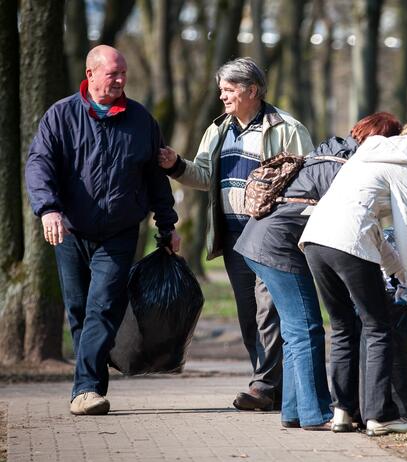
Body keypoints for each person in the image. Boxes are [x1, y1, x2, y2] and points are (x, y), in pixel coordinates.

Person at [25, 45, 180, 416]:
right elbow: (39, 164)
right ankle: (90, 385)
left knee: (103, 307)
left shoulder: (141, 120)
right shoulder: (61, 116)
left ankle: (86, 390)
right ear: (90, 74)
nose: (121, 80)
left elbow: (156, 179)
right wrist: (48, 209)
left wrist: (167, 226)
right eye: (113, 74)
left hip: (120, 231)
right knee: (79, 310)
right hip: (70, 230)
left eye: (123, 73)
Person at [157, 57, 314, 411]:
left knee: (268, 309)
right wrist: (175, 165)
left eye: (228, 90)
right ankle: (271, 385)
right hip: (232, 235)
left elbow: (306, 182)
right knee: (248, 312)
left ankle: (263, 386)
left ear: (252, 90)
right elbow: (203, 175)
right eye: (221, 91)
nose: (222, 97)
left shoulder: (286, 128)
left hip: (271, 234)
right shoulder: (218, 130)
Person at [235, 112, 403, 431]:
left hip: (258, 241)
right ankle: (317, 414)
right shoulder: (350, 167)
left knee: (296, 330)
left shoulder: (328, 153)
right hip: (277, 247)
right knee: (307, 328)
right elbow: (355, 225)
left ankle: (294, 411)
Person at [299, 115, 407, 436]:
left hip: (315, 239)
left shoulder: (369, 153)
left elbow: (372, 228)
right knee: (378, 327)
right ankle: (380, 416)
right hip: (349, 243)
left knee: (343, 328)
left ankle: (342, 412)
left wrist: (396, 271)